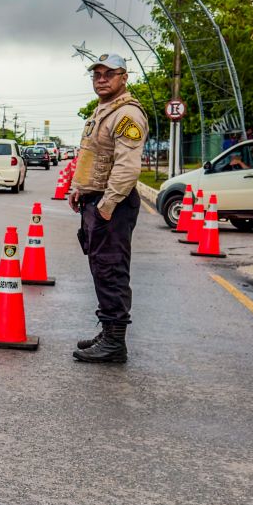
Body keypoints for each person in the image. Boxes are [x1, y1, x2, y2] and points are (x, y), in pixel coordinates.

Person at [68, 54, 148, 363]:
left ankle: (116, 342)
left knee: (111, 270)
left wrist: (107, 204)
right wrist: (79, 188)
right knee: (101, 269)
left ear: (124, 77)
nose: (101, 78)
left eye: (109, 73)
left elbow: (127, 167)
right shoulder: (102, 111)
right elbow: (94, 157)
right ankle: (108, 331)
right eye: (96, 74)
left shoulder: (127, 115)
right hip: (96, 200)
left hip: (112, 204)